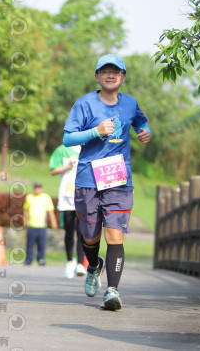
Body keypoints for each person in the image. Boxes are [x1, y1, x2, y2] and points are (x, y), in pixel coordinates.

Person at [63, 54, 151, 311]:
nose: (111, 75)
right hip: (88, 178)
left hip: (119, 180)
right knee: (90, 237)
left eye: (117, 71)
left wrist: (145, 132)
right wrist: (96, 131)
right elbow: (68, 139)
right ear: (97, 76)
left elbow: (141, 121)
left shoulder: (130, 103)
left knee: (115, 235)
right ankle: (93, 266)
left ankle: (112, 291)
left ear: (123, 77)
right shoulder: (84, 103)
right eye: (105, 71)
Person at [49, 144, 86, 278]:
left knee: (82, 232)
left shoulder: (88, 147)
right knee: (69, 231)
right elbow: (53, 170)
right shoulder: (62, 149)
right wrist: (68, 166)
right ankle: (70, 261)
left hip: (83, 198)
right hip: (66, 197)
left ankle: (81, 264)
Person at [23, 182, 58, 265]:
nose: (37, 189)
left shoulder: (46, 197)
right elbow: (25, 209)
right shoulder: (29, 197)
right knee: (30, 244)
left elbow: (50, 211)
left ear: (41, 189)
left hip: (42, 225)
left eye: (39, 188)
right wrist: (25, 220)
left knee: (41, 244)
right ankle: (29, 259)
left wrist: (53, 221)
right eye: (36, 188)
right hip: (32, 224)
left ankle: (41, 259)